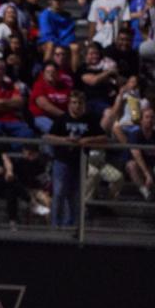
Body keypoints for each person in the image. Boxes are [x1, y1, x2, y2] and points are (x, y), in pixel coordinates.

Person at [44, 91, 106, 226]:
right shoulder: (62, 119)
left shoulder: (90, 120)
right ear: (69, 104)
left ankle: (71, 225)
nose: (77, 106)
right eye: (74, 103)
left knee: (75, 195)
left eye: (79, 103)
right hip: (62, 161)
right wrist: (64, 140)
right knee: (59, 192)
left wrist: (87, 140)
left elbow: (103, 138)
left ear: (84, 105)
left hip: (80, 161)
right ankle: (56, 224)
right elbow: (48, 137)